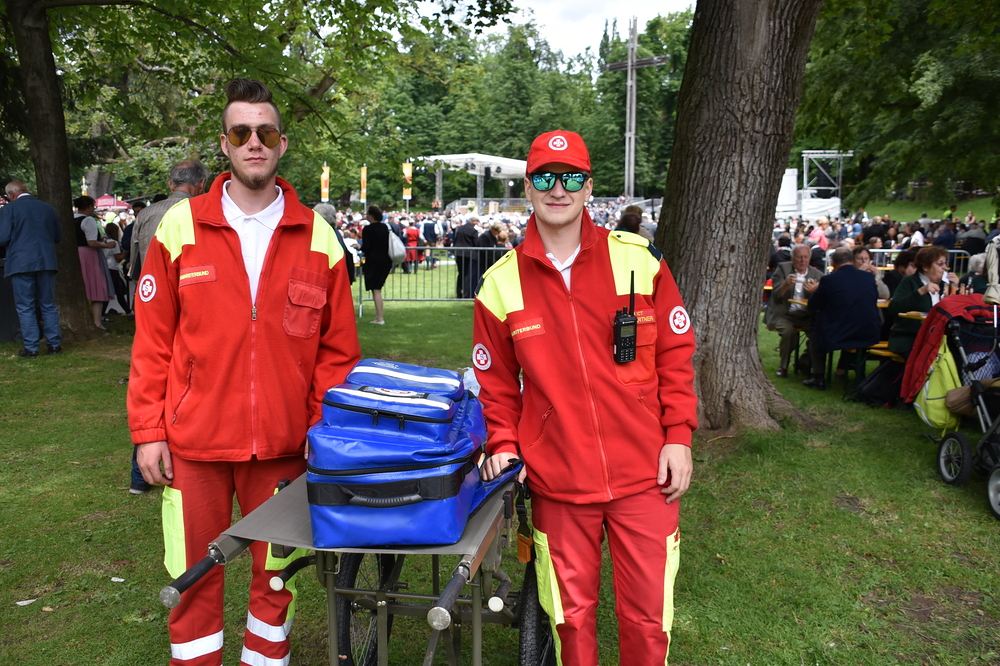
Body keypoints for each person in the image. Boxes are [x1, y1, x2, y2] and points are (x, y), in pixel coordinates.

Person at [127, 78, 360, 666]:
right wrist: (149, 431)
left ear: (282, 144)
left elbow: (337, 355)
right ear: (225, 144)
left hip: (284, 447)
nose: (254, 142)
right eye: (241, 132)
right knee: (193, 577)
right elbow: (152, 342)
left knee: (276, 583)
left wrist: (320, 434)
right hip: (194, 445)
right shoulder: (179, 227)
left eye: (266, 132)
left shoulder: (320, 237)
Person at [475, 130, 696, 665]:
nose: (559, 189)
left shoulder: (639, 261)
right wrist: (503, 443)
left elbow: (675, 355)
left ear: (588, 187)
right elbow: (496, 385)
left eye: (571, 177)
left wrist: (679, 437)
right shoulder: (500, 283)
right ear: (529, 188)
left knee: (648, 622)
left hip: (647, 475)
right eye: (546, 178)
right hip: (558, 481)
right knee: (571, 624)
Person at [0, 181, 63, 357]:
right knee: (48, 304)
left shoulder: (9, 209)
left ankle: (32, 346)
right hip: (46, 261)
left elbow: (2, 237)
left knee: (25, 306)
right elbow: (57, 237)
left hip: (21, 263)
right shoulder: (48, 208)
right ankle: (54, 345)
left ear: (12, 194)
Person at [806, 247, 882, 388]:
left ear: (832, 262)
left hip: (840, 332)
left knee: (816, 335)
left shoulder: (829, 280)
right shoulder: (868, 277)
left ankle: (818, 377)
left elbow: (813, 304)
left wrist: (814, 292)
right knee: (852, 332)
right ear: (852, 260)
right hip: (869, 331)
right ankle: (848, 371)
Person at [129, 160, 208, 281]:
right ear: (202, 183)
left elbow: (135, 263)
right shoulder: (205, 212)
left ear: (171, 185)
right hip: (192, 286)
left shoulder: (145, 214)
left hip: (152, 286)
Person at [765, 244, 825, 377]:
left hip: (806, 315)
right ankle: (783, 366)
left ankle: (804, 361)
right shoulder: (783, 269)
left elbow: (822, 300)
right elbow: (776, 296)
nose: (803, 260)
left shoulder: (817, 275)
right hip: (784, 313)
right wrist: (785, 284)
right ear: (792, 258)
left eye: (806, 257)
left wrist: (815, 293)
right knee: (788, 333)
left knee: (820, 334)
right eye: (799, 257)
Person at [887, 246, 958, 357]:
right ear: (925, 266)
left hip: (939, 337)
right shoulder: (909, 281)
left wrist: (956, 289)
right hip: (910, 337)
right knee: (928, 357)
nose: (944, 267)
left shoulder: (944, 286)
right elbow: (894, 308)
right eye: (940, 264)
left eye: (945, 263)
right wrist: (921, 291)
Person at [74, 196, 115, 330]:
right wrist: (107, 245)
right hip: (88, 255)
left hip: (75, 253)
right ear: (90, 207)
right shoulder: (88, 220)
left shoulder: (71, 219)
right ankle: (97, 322)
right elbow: (91, 242)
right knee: (96, 286)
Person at [360, 205, 390, 324]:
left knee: (376, 290)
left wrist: (359, 247)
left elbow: (367, 247)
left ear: (371, 215)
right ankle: (379, 316)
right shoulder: (385, 228)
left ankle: (380, 318)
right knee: (378, 289)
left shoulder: (368, 229)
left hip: (373, 261)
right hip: (385, 260)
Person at [102, 222, 133, 318]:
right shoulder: (114, 243)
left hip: (107, 267)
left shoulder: (105, 241)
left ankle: (128, 311)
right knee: (116, 292)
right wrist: (124, 252)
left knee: (118, 291)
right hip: (113, 268)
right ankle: (102, 314)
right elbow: (118, 258)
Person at [452, 215, 479, 298]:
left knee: (461, 273)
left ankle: (458, 292)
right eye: (476, 221)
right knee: (467, 274)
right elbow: (476, 243)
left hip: (458, 253)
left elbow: (455, 239)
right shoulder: (473, 231)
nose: (476, 223)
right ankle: (466, 292)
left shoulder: (460, 228)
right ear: (473, 221)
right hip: (468, 254)